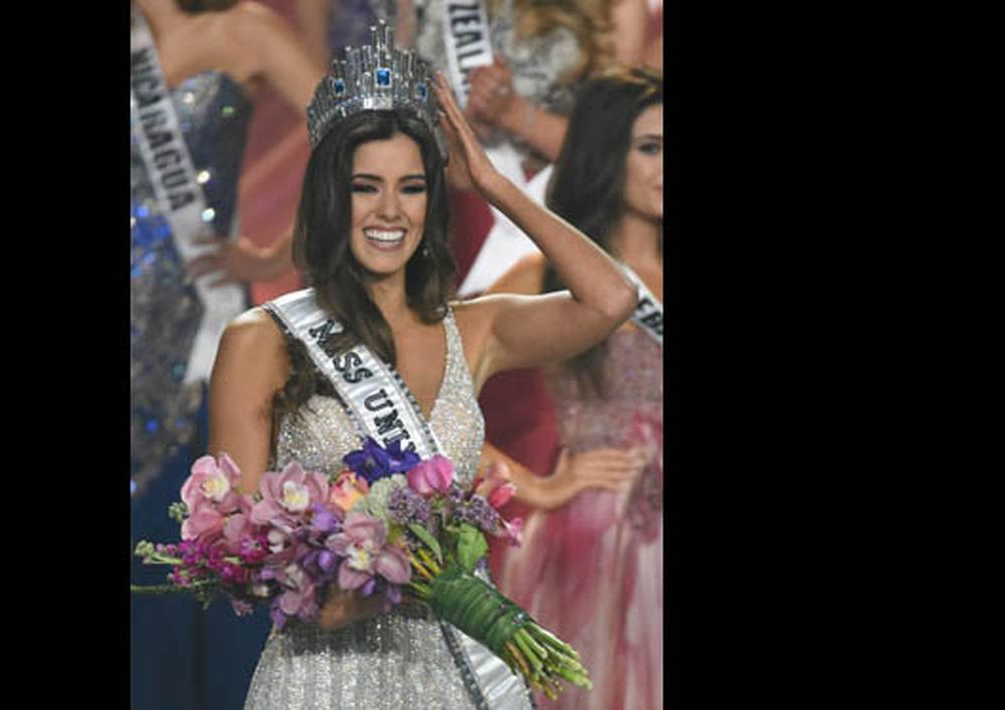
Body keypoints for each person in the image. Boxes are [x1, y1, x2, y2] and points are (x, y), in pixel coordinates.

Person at [206, 22, 639, 709]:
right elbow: (229, 543)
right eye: (364, 187)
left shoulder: (476, 327)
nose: (389, 211)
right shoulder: (263, 339)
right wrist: (342, 586)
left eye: (411, 187)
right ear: (330, 195)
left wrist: (493, 183)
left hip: (449, 676)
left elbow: (612, 298)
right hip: (321, 679)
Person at [129, 2, 323, 708]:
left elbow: (357, 132)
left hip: (196, 335)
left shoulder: (244, 30)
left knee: (198, 541)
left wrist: (280, 250)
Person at [496, 67, 663, 710]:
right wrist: (533, 483)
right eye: (650, 147)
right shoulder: (542, 274)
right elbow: (429, 391)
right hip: (593, 543)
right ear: (605, 153)